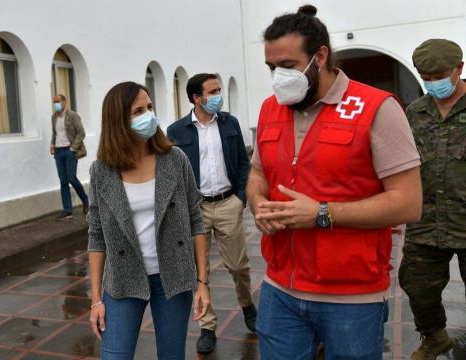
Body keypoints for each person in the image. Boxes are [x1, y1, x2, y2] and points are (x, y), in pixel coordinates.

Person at [247, 5, 422, 359]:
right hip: (280, 288)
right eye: (270, 68)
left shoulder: (376, 108)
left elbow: (408, 203)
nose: (278, 77)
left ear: (320, 56)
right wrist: (257, 203)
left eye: (287, 66)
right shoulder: (270, 108)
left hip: (350, 297)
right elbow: (258, 173)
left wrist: (322, 213)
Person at [87, 81, 211, 359]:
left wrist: (202, 283)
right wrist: (96, 299)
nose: (148, 116)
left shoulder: (174, 159)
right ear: (118, 120)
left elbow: (196, 221)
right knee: (114, 355)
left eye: (150, 107)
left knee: (171, 355)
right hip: (124, 278)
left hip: (173, 276)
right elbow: (96, 236)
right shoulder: (102, 171)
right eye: (138, 111)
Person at [167, 73, 256, 353]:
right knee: (199, 270)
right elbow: (171, 173)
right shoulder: (176, 131)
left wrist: (241, 198)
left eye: (220, 89)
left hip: (228, 202)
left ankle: (247, 305)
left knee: (238, 265)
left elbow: (243, 162)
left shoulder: (230, 123)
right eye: (213, 91)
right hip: (196, 209)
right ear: (197, 98)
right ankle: (207, 325)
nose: (219, 95)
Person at [399, 38, 466, 360]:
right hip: (426, 219)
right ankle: (435, 337)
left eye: (439, 75)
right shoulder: (415, 111)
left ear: (459, 69)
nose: (432, 82)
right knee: (416, 286)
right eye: (426, 76)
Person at [50, 94, 89, 220]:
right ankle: (68, 210)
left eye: (58, 101)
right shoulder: (54, 117)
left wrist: (73, 148)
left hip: (70, 151)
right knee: (63, 181)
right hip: (58, 152)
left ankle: (85, 200)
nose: (55, 103)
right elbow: (55, 133)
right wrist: (52, 144)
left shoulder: (72, 115)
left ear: (64, 102)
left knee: (72, 178)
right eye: (54, 102)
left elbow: (81, 133)